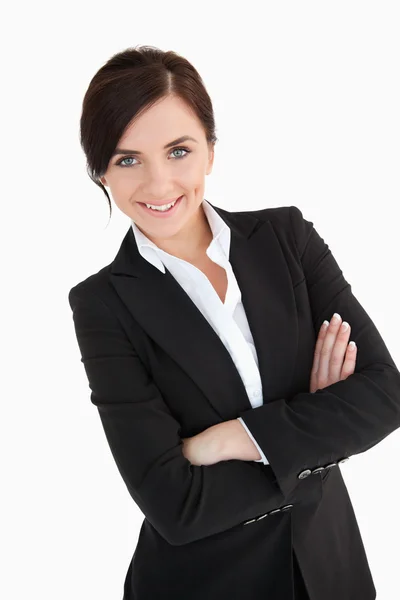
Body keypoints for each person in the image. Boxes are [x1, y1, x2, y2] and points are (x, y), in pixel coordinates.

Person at [68, 45, 400, 600]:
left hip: (330, 570)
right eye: (128, 160)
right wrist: (315, 428)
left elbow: (385, 395)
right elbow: (175, 505)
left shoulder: (288, 241)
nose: (157, 184)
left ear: (211, 151)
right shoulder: (103, 305)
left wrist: (229, 440)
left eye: (178, 151)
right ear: (101, 171)